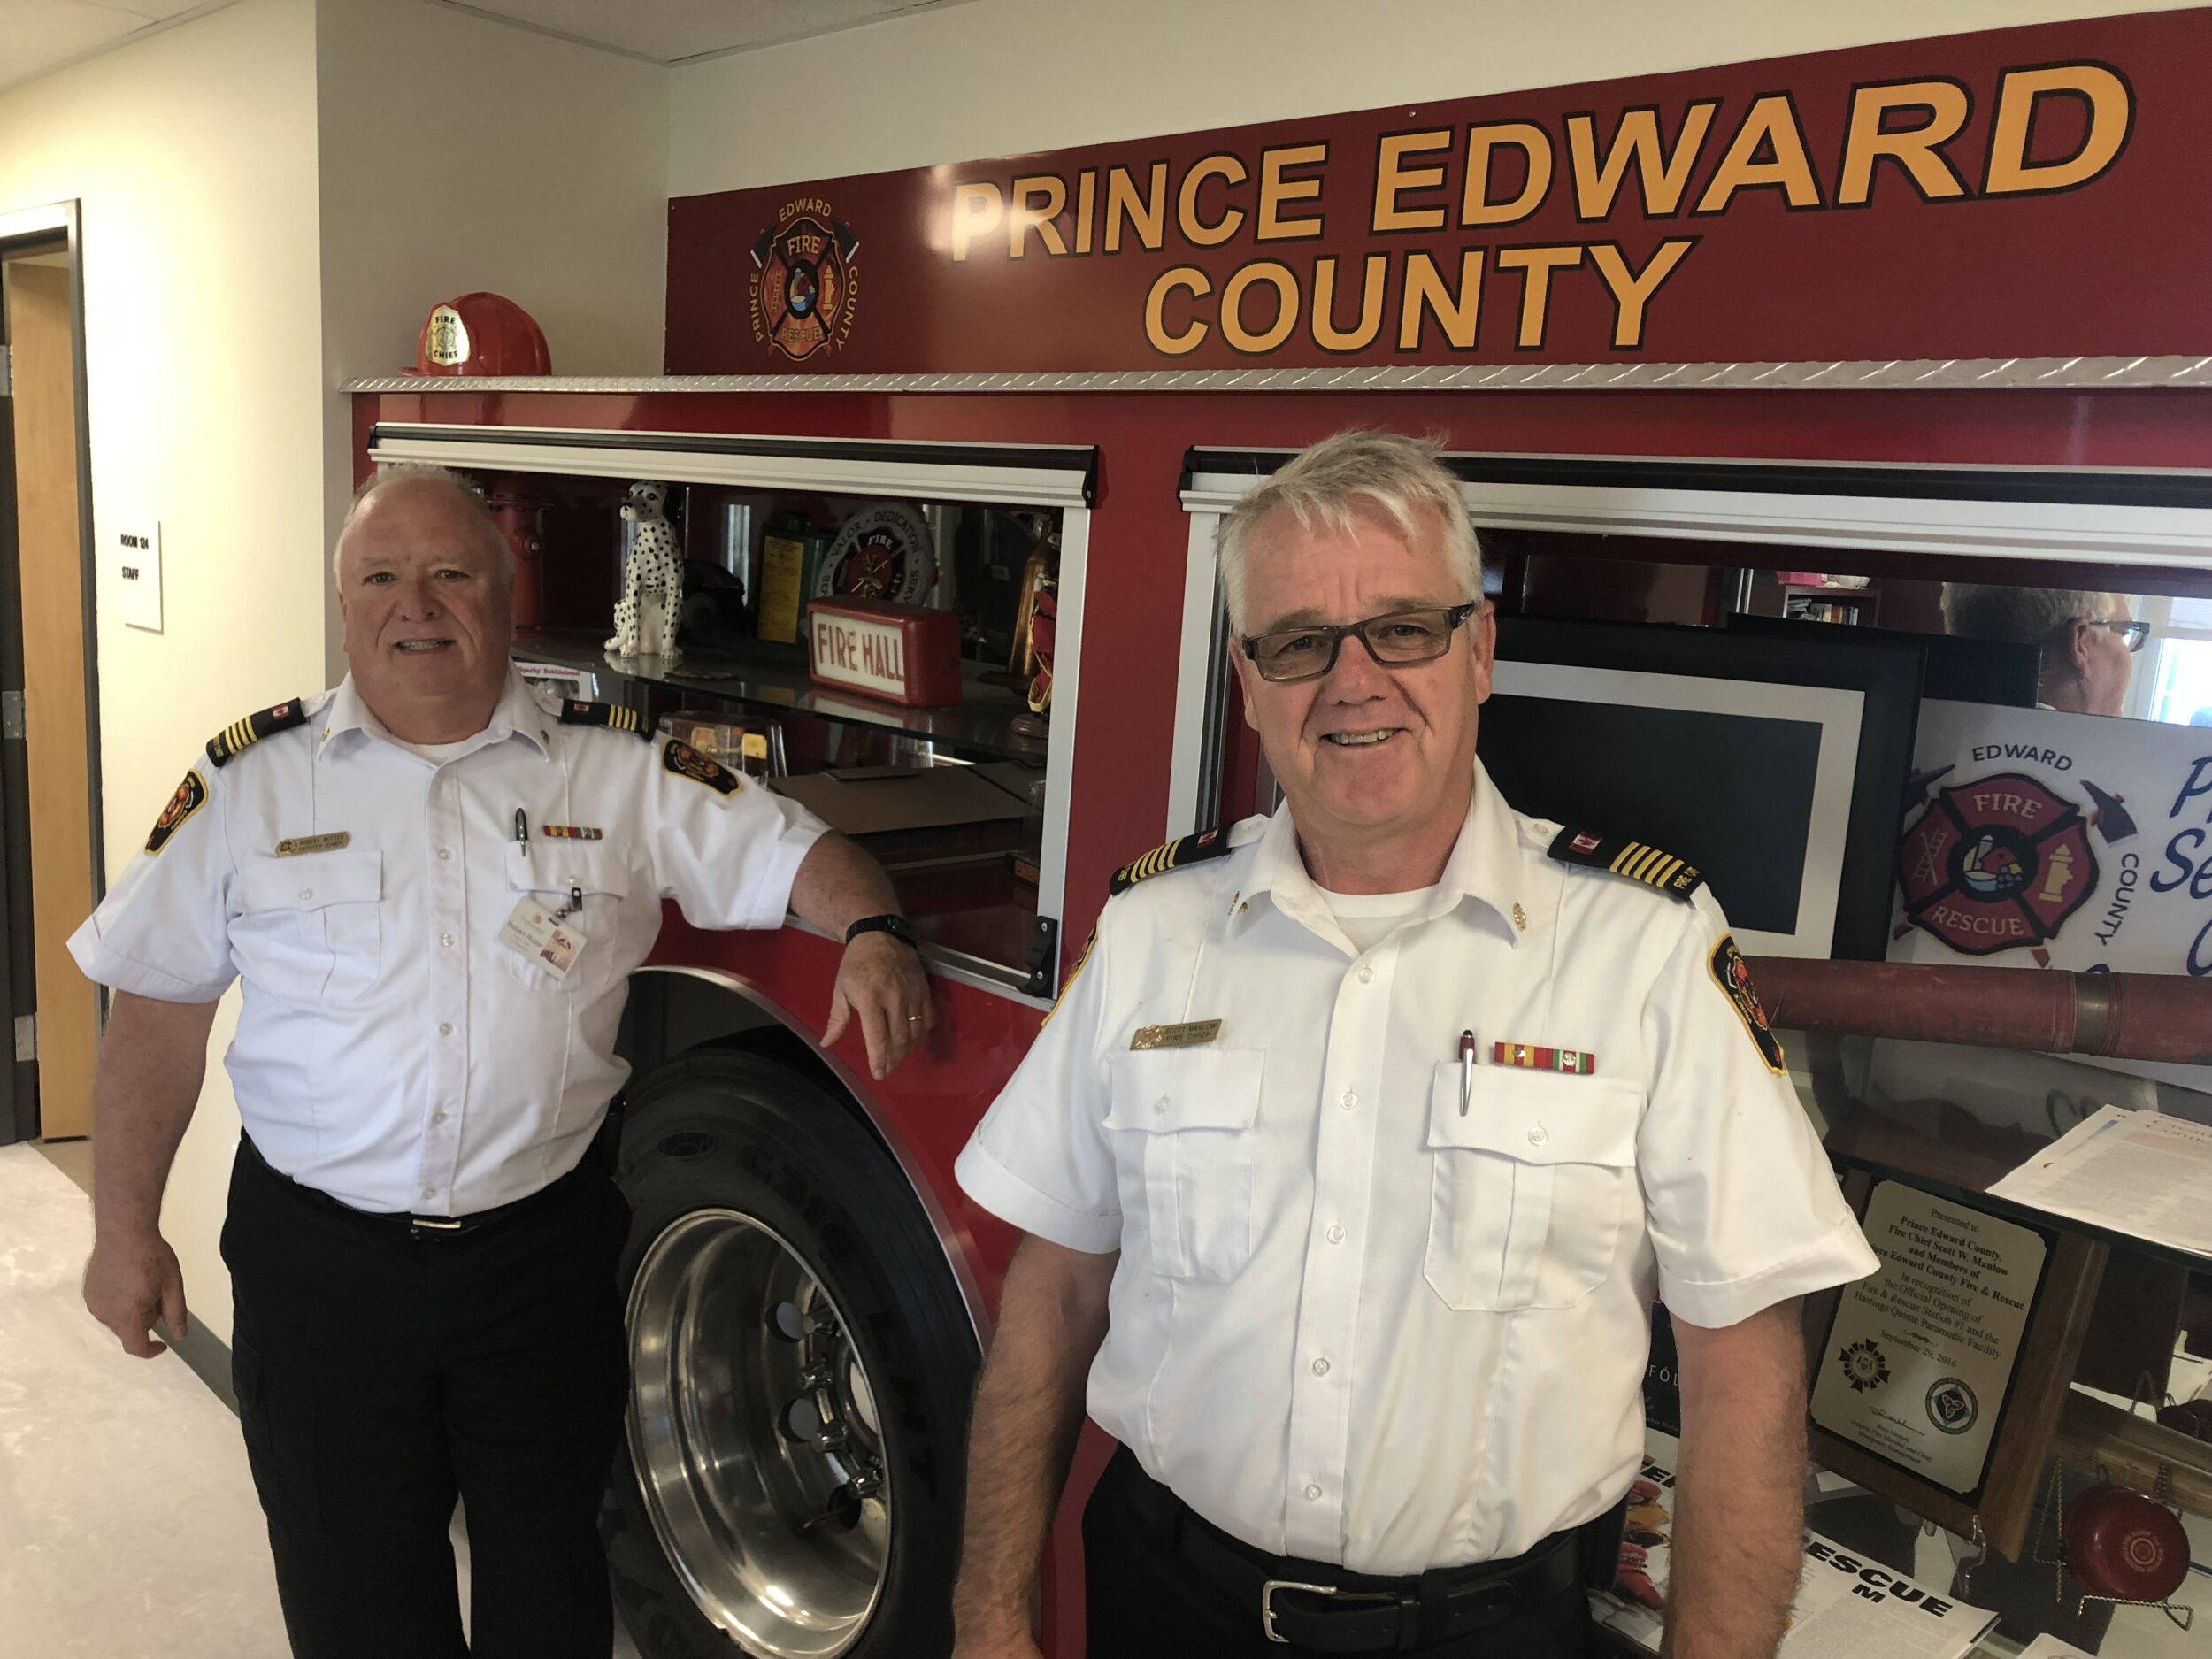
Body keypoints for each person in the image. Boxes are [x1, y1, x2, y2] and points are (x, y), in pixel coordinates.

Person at [949, 430, 1878, 1659]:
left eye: (1403, 627)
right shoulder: (1152, 930)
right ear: (1248, 681)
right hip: (1168, 1603)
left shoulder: (1644, 949)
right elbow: (1055, 1288)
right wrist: (988, 1611)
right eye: (1299, 641)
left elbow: (1742, 1362)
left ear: (1478, 649)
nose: (1354, 679)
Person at [68, 465, 933, 1659]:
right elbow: (156, 1013)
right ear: (343, 601)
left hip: (540, 1263)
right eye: (380, 575)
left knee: (552, 1581)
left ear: (507, 593)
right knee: (354, 1590)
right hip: (321, 1267)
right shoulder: (249, 784)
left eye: (450, 570)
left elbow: (799, 853)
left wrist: (874, 929)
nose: (413, 601)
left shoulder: (620, 771)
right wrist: (126, 1228)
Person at [1940, 583, 2144, 715]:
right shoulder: (2111, 771)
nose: (2128, 654)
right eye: (2124, 632)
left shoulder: (1929, 728)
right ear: (2080, 642)